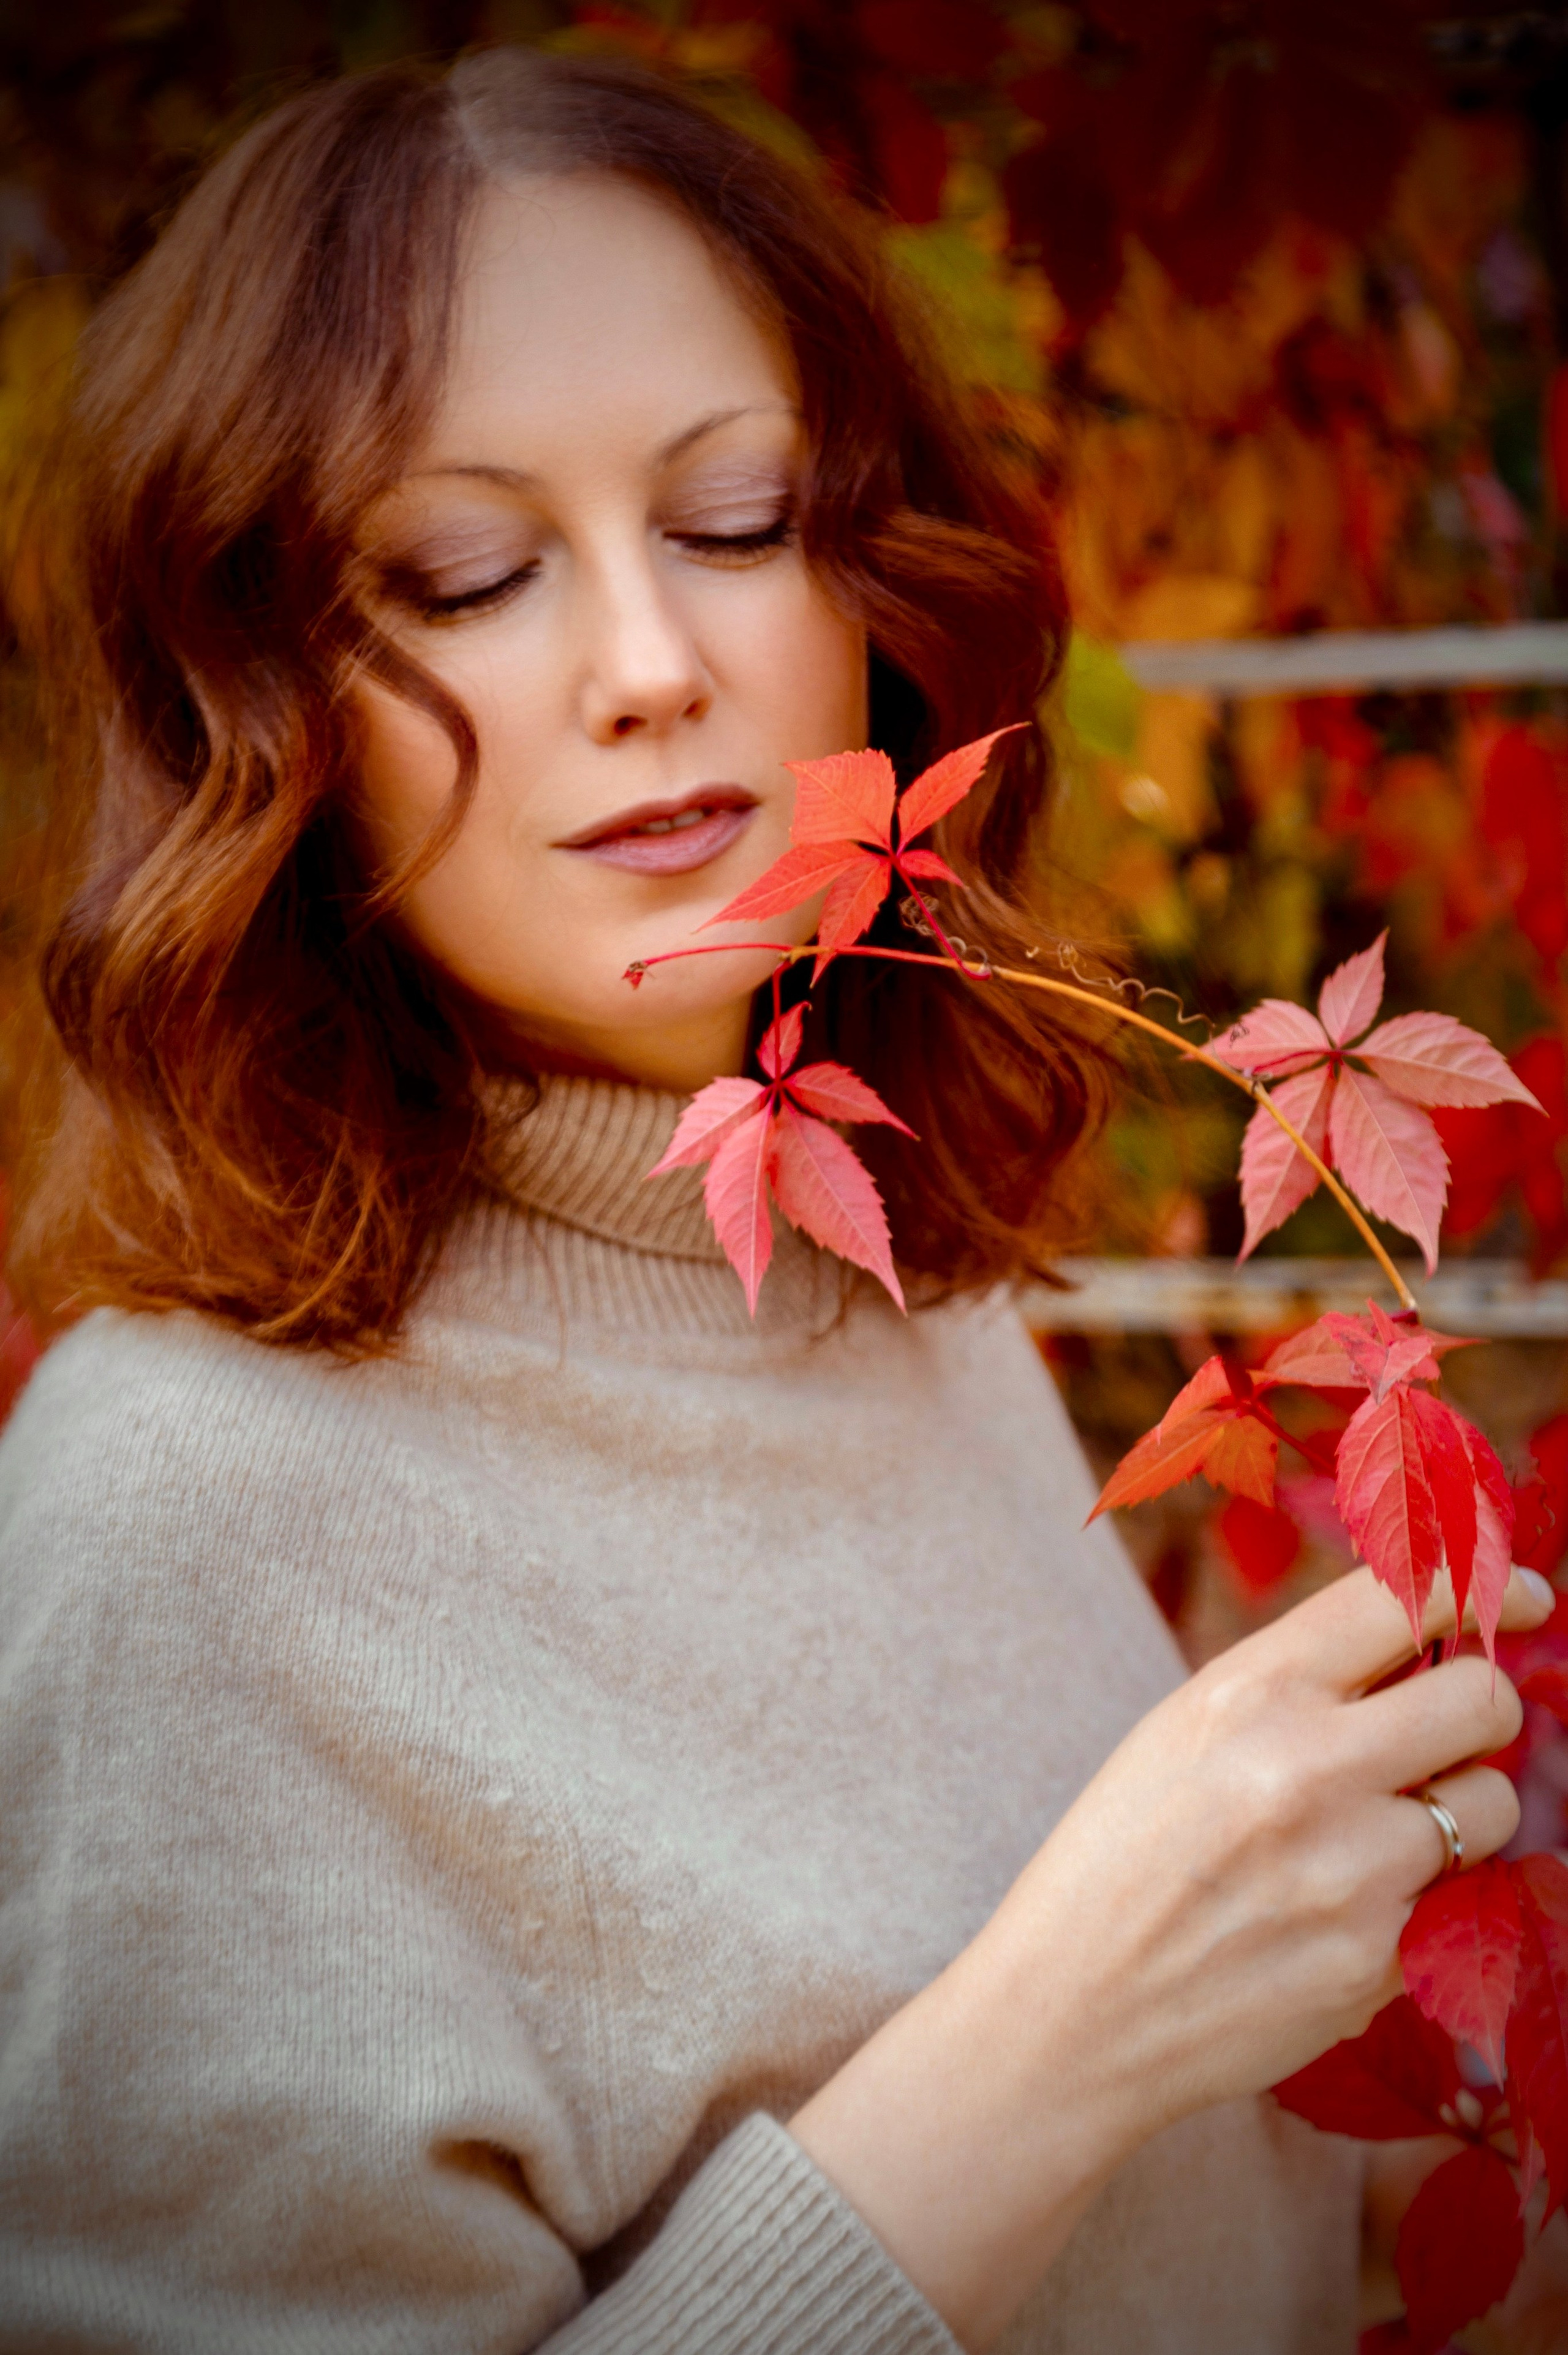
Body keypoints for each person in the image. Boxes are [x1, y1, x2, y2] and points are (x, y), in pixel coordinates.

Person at [0, 47, 1550, 2355]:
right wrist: (1056, 2045)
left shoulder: (878, 1280)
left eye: (734, 521)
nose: (652, 667)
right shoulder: (175, 1533)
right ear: (257, 708)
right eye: (465, 572)